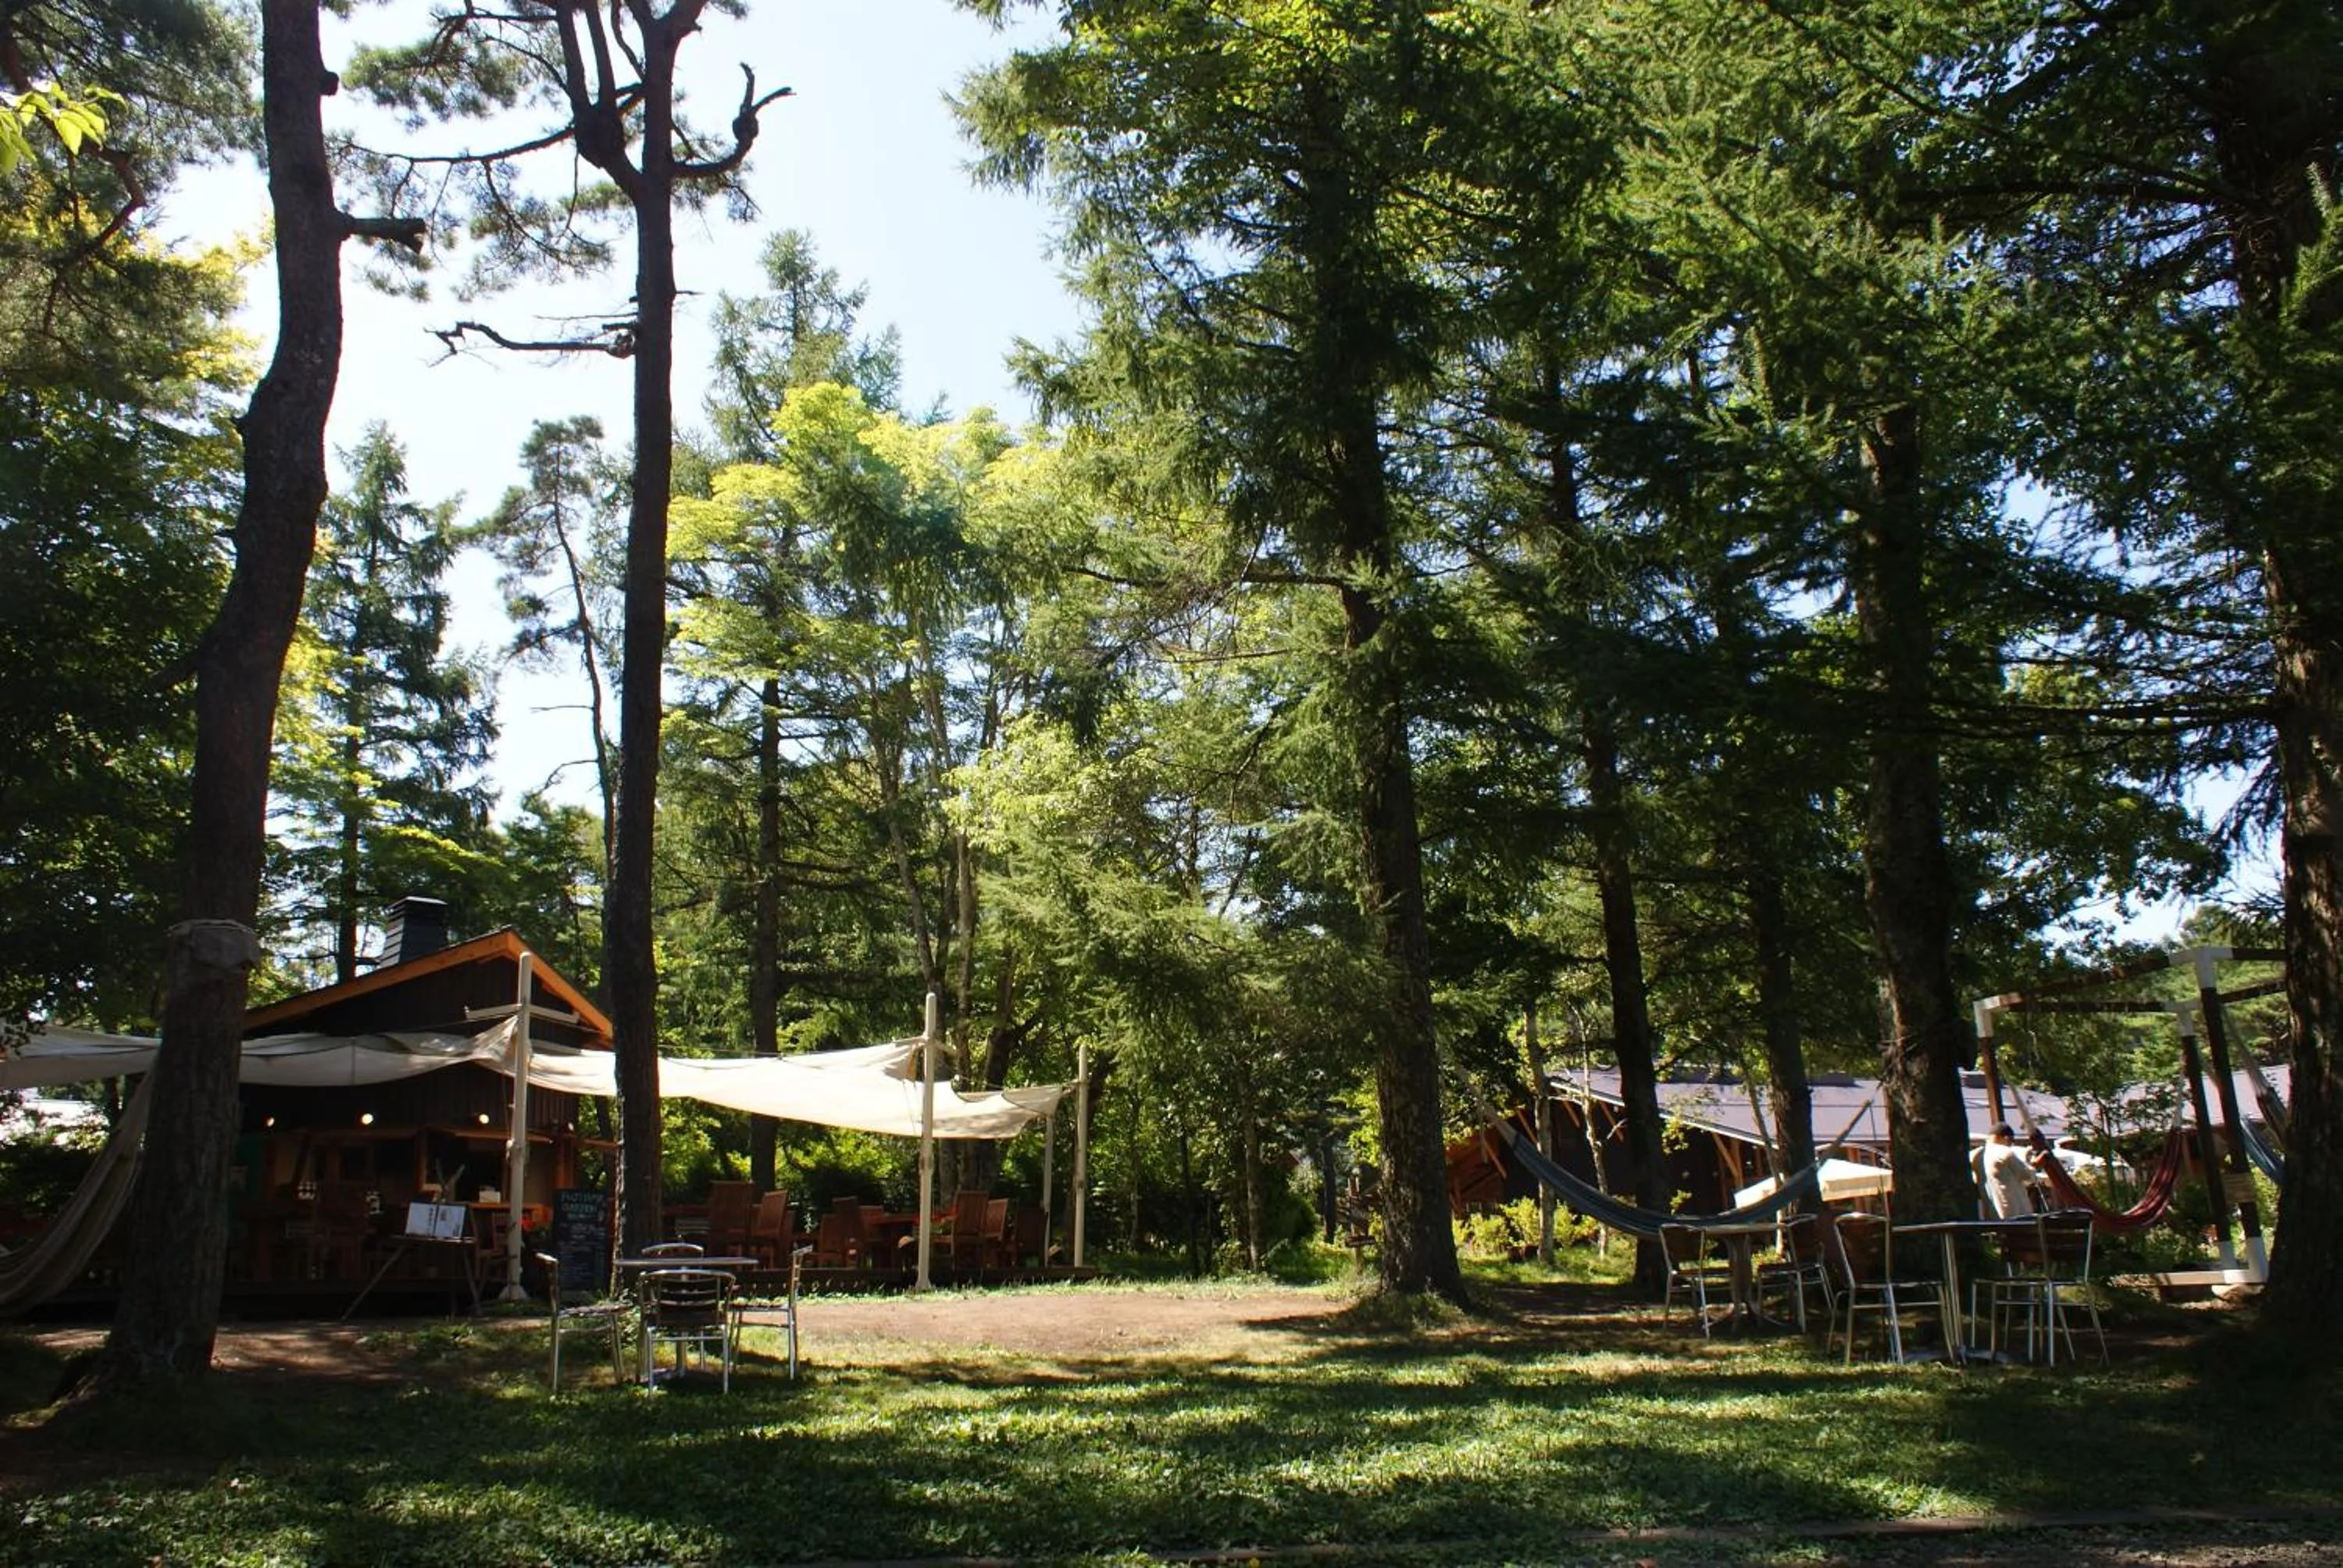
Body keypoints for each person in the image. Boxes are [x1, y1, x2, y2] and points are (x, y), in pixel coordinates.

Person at [1977, 1122, 2042, 1218]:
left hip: (1991, 1213)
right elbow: (2028, 1176)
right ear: (2006, 1138)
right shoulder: (2005, 1152)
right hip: (2014, 1212)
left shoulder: (1977, 1155)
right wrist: (2034, 1164)